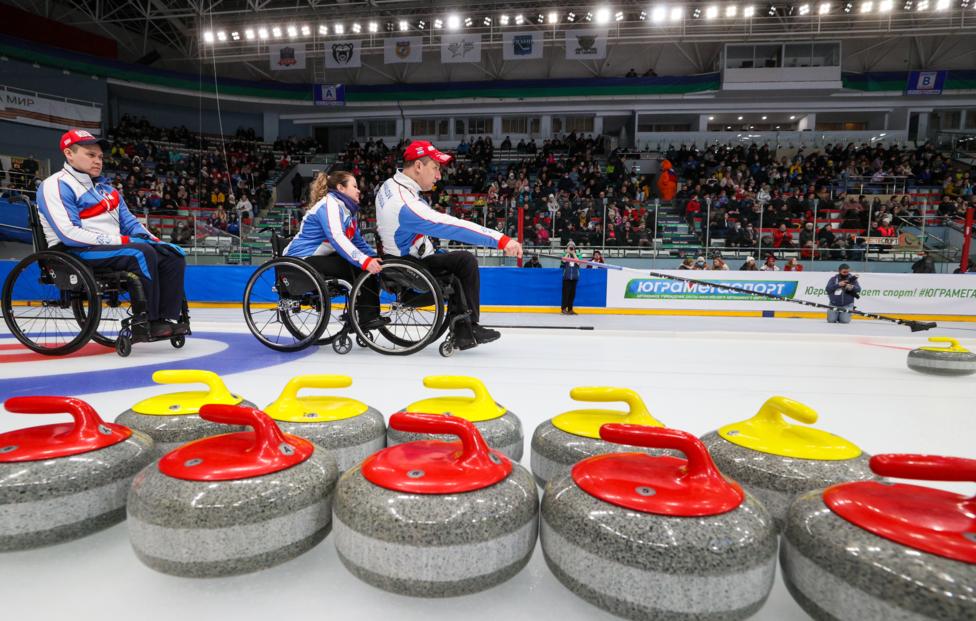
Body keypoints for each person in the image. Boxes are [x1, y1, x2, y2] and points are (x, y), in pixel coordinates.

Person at [36, 129, 187, 338]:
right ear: (69, 153)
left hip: (109, 248)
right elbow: (68, 233)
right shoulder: (55, 185)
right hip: (73, 251)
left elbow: (131, 224)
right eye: (90, 155)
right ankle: (146, 322)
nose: (98, 161)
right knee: (140, 252)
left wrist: (157, 241)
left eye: (100, 157)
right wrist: (122, 240)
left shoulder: (108, 190)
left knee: (172, 256)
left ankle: (164, 318)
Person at [375, 140, 523, 349]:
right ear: (418, 166)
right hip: (406, 266)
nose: (438, 175)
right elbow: (453, 226)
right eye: (435, 168)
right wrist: (500, 239)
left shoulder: (391, 184)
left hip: (406, 256)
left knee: (462, 261)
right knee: (459, 269)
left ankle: (465, 330)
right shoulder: (404, 204)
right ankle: (466, 328)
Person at [284, 171, 387, 330]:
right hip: (301, 259)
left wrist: (377, 258)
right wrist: (364, 261)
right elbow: (337, 237)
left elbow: (357, 242)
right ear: (341, 188)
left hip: (317, 258)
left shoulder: (347, 210)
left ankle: (363, 315)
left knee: (363, 266)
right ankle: (366, 317)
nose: (359, 190)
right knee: (357, 266)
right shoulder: (329, 204)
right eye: (354, 186)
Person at [561, 241, 581, 315]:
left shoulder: (578, 254)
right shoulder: (565, 254)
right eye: (569, 246)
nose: (571, 247)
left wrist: (573, 253)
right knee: (566, 294)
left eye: (572, 246)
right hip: (567, 276)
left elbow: (578, 263)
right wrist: (568, 253)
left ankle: (570, 309)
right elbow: (563, 260)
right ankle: (563, 308)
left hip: (575, 277)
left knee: (572, 294)